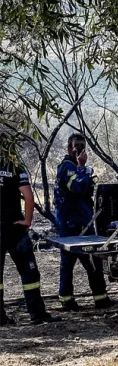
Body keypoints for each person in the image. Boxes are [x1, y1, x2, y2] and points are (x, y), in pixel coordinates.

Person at [0, 134, 58, 324]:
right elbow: (29, 196)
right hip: (14, 229)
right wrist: (27, 221)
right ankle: (37, 314)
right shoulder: (15, 167)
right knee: (29, 272)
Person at [54, 134, 112, 310]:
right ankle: (67, 301)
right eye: (75, 146)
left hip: (81, 220)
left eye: (81, 146)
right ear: (68, 147)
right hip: (72, 223)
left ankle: (100, 298)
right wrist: (82, 167)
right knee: (72, 262)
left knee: (92, 261)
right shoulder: (68, 167)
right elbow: (77, 188)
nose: (78, 149)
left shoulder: (74, 167)